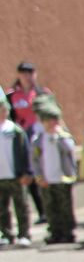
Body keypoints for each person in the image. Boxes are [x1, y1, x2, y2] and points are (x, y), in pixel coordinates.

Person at [29, 102, 78, 244]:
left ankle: (68, 231)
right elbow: (35, 160)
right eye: (48, 121)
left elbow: (69, 150)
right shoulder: (38, 139)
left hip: (62, 178)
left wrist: (60, 135)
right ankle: (55, 231)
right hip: (47, 178)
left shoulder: (63, 136)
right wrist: (38, 176)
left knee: (65, 206)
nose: (51, 124)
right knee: (50, 207)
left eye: (54, 120)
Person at [0, 97, 31, 246]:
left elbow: (25, 152)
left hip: (16, 175)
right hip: (1, 176)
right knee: (2, 208)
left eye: (3, 109)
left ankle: (24, 234)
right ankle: (6, 234)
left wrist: (27, 172)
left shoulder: (15, 130)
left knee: (21, 205)